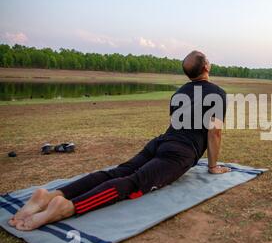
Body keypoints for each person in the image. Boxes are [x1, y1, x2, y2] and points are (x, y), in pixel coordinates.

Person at [8, 50, 230, 231]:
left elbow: (176, 122)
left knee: (118, 171)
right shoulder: (217, 93)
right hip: (179, 153)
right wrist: (212, 166)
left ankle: (53, 194)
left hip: (160, 142)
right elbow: (214, 132)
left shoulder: (179, 92)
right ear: (207, 67)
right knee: (133, 183)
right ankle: (67, 206)